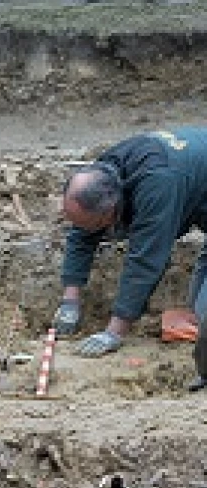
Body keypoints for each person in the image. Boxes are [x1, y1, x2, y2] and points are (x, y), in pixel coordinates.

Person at [53, 127, 207, 387]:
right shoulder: (104, 171)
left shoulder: (157, 186)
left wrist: (114, 332)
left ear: (110, 213)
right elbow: (82, 233)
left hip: (179, 179)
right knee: (197, 311)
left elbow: (145, 261)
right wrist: (70, 300)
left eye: (94, 225)